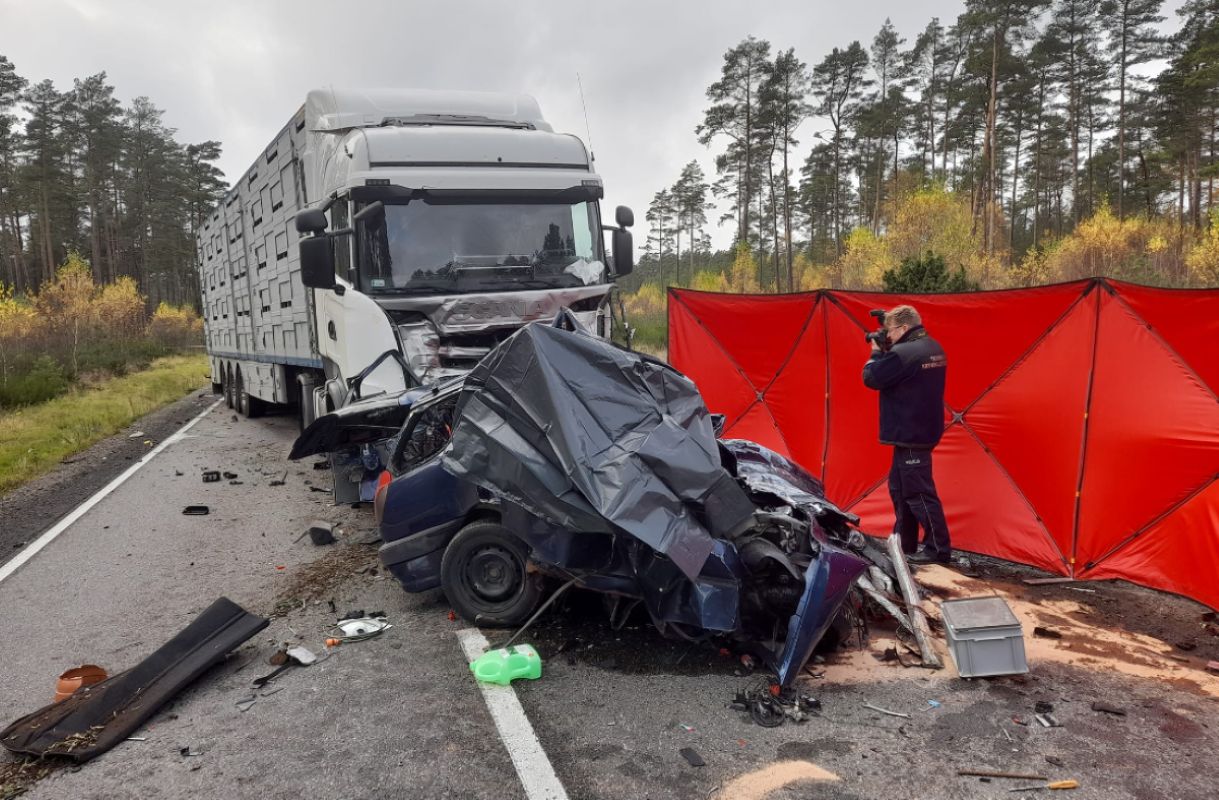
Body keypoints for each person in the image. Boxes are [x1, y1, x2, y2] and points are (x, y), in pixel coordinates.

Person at [862, 305, 952, 564]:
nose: (887, 336)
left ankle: (939, 550)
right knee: (900, 489)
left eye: (890, 330)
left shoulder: (904, 353)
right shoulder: (932, 347)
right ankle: (905, 543)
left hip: (911, 431)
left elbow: (871, 377)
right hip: (920, 429)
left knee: (919, 492)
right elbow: (908, 375)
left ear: (903, 328)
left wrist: (876, 352)